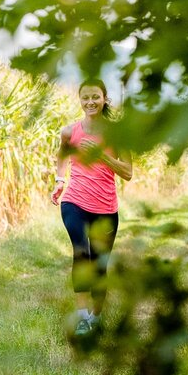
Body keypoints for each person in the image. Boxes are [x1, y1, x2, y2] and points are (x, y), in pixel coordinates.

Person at [50, 78, 132, 337]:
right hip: (74, 201)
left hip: (106, 207)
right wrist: (60, 180)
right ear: (80, 100)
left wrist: (103, 156)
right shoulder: (69, 131)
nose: (90, 102)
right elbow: (62, 155)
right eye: (85, 97)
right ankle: (83, 316)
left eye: (95, 97)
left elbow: (128, 172)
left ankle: (95, 317)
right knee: (81, 253)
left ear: (104, 98)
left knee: (99, 265)